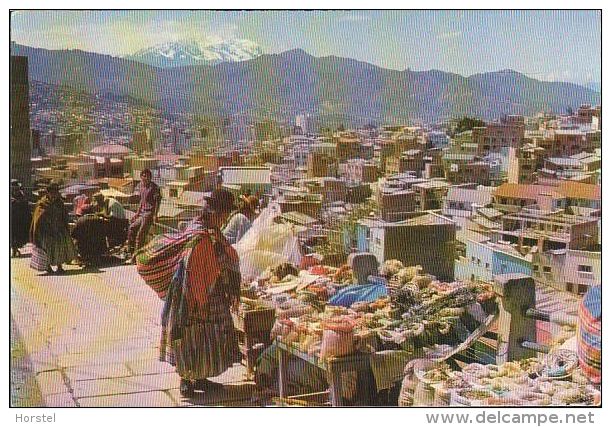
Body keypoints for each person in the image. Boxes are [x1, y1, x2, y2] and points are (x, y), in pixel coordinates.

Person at [160, 188, 242, 398]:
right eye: (224, 215)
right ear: (215, 213)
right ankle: (186, 379)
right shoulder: (198, 232)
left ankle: (201, 376)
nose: (225, 219)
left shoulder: (212, 231)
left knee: (209, 335)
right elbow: (198, 261)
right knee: (190, 336)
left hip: (210, 292)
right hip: (191, 294)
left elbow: (222, 258)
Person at [30, 181, 77, 274]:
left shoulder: (60, 203)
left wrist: (64, 225)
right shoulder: (42, 203)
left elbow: (64, 215)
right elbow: (37, 218)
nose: (55, 194)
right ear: (48, 192)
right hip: (46, 232)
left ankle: (59, 266)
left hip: (59, 230)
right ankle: (48, 267)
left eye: (56, 192)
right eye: (53, 192)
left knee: (60, 248)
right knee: (47, 249)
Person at [125, 169, 161, 262]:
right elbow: (141, 201)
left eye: (148, 176)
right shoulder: (140, 186)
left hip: (149, 213)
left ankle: (136, 257)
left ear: (150, 177)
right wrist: (137, 213)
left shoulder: (154, 187)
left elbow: (158, 201)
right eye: (144, 176)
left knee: (140, 235)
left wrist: (155, 215)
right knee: (132, 228)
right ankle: (130, 251)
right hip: (142, 213)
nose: (146, 178)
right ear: (141, 177)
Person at [11, 180, 31, 258]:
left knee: (18, 236)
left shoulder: (22, 196)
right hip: (11, 220)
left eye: (16, 188)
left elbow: (26, 207)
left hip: (20, 220)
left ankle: (15, 250)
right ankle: (14, 250)